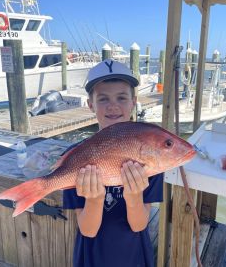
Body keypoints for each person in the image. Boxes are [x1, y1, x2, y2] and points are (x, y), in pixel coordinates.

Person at [63, 59, 163, 267]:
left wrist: (134, 196)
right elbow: (87, 230)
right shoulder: (77, 156)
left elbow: (139, 225)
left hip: (134, 255)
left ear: (133, 102)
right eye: (103, 99)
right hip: (92, 256)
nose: (113, 105)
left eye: (121, 97)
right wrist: (95, 199)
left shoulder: (150, 159)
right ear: (90, 104)